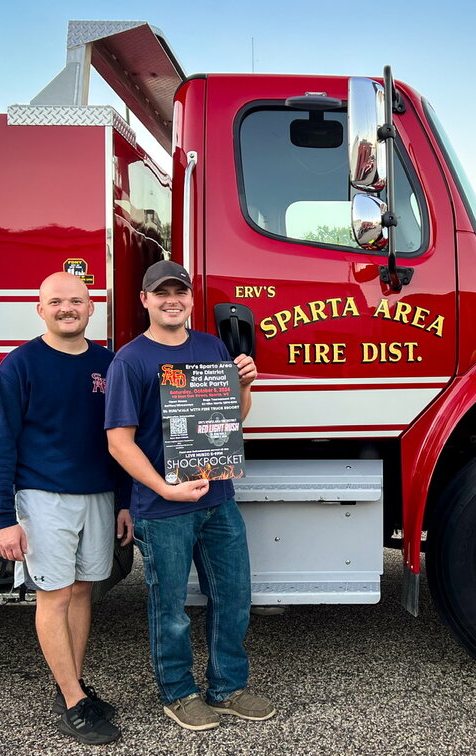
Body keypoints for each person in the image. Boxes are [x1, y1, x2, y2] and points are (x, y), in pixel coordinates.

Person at [105, 260, 276, 732]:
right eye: (161, 293)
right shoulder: (130, 360)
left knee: (234, 596)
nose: (172, 300)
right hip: (163, 508)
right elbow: (119, 441)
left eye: (179, 291)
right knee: (170, 607)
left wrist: (243, 385)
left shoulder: (211, 347)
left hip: (218, 498)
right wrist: (163, 488)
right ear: (145, 301)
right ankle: (178, 693)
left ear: (191, 299)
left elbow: (233, 419)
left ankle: (227, 687)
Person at [0, 272, 124, 746]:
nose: (68, 308)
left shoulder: (108, 363)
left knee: (83, 591)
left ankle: (75, 689)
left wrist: (123, 502)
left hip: (99, 496)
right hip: (44, 497)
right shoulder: (19, 366)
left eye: (77, 301)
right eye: (57, 301)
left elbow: (122, 439)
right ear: (39, 309)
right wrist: (3, 518)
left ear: (91, 309)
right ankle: (71, 702)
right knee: (56, 596)